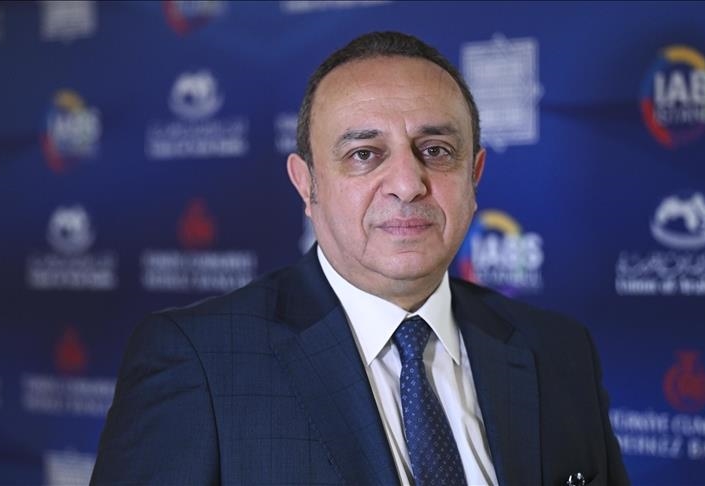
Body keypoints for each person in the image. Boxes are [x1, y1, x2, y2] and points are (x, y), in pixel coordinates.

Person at [91, 31, 629, 486]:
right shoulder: (199, 362)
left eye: (436, 151)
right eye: (364, 154)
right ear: (307, 186)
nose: (407, 184)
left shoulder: (558, 351)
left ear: (475, 175)